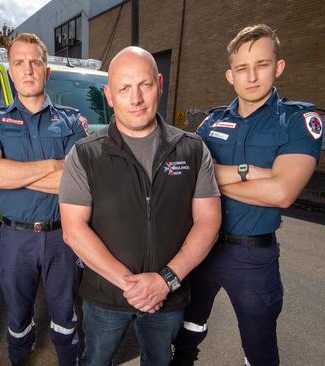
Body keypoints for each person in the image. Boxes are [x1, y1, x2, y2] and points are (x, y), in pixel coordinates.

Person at [59, 46, 222, 366]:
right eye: (124, 88)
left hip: (169, 297)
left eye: (144, 85)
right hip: (105, 298)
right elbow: (73, 230)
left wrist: (165, 281)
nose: (135, 98)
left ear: (159, 84)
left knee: (158, 360)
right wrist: (131, 286)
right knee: (95, 360)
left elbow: (208, 222)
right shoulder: (85, 154)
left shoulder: (192, 149)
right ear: (109, 95)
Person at [172, 24, 323, 366]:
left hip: (253, 257)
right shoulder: (211, 122)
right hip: (201, 247)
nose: (252, 77)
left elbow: (282, 192)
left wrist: (209, 178)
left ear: (278, 67)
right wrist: (247, 171)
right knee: (186, 332)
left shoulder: (297, 120)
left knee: (259, 350)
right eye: (242, 68)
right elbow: (185, 177)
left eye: (262, 64)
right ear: (230, 75)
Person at [0, 33, 87, 366]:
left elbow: (82, 181)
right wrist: (54, 166)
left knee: (65, 314)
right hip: (14, 238)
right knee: (18, 315)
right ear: (10, 71)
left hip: (62, 237)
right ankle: (20, 358)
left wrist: (16, 176)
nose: (28, 69)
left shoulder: (71, 120)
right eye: (19, 62)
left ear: (46, 71)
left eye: (36, 61)